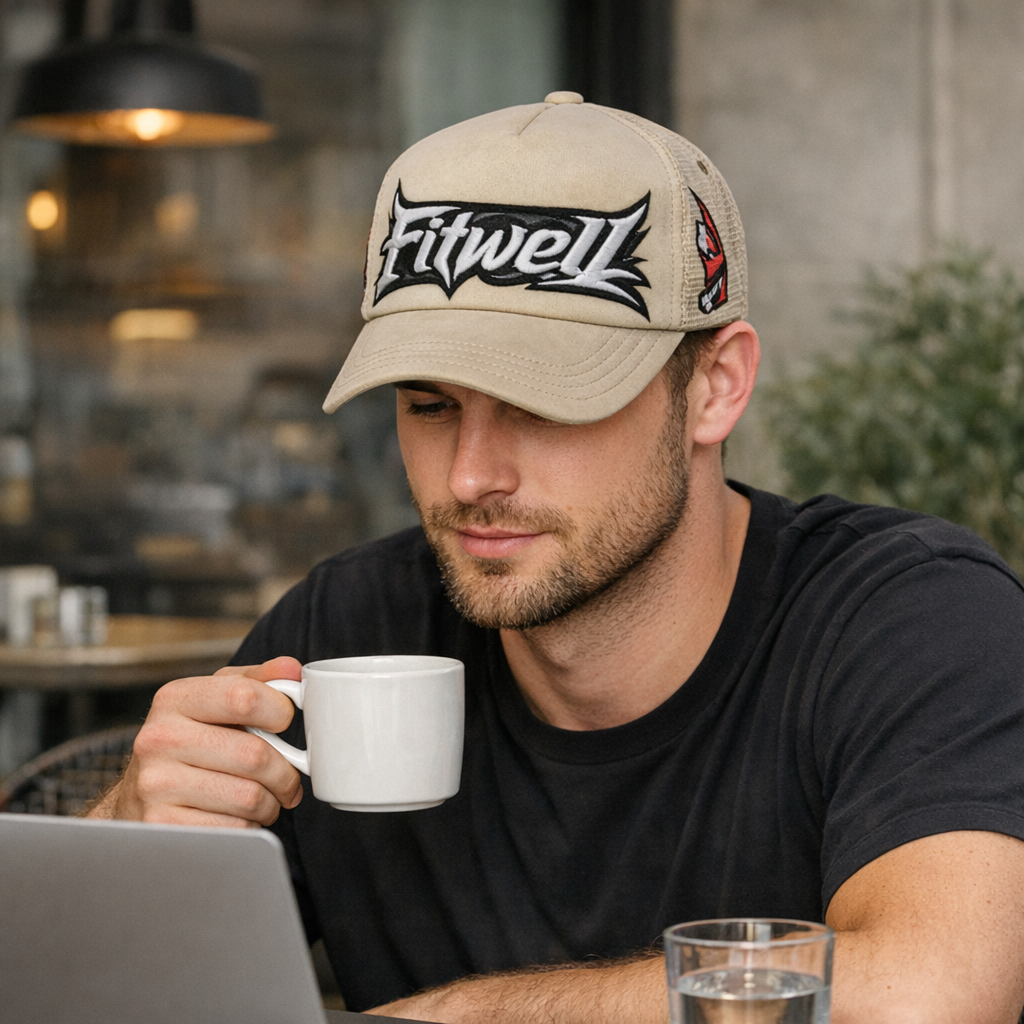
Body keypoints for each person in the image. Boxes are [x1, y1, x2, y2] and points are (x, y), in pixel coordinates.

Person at [90, 93, 1024, 1024]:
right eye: (429, 406)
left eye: (545, 405)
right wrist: (131, 845)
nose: (468, 476)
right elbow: (108, 990)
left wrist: (465, 1018)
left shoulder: (911, 622)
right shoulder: (347, 633)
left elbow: (935, 991)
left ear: (715, 388)